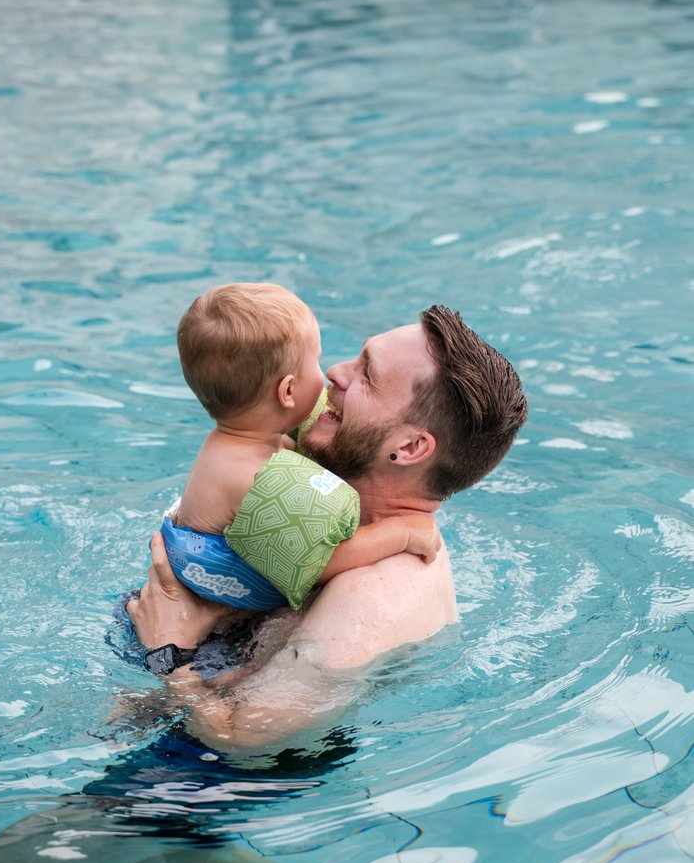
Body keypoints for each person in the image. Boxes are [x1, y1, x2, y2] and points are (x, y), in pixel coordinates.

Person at [127, 306, 528, 751]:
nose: (336, 373)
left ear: (410, 447)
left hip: (207, 790)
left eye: (367, 376)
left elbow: (241, 741)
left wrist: (168, 651)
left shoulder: (368, 600)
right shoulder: (316, 507)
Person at [159, 282, 440, 633]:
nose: (331, 373)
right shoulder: (254, 478)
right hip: (202, 630)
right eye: (316, 361)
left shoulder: (238, 443)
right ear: (288, 391)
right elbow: (319, 563)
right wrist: (401, 533)